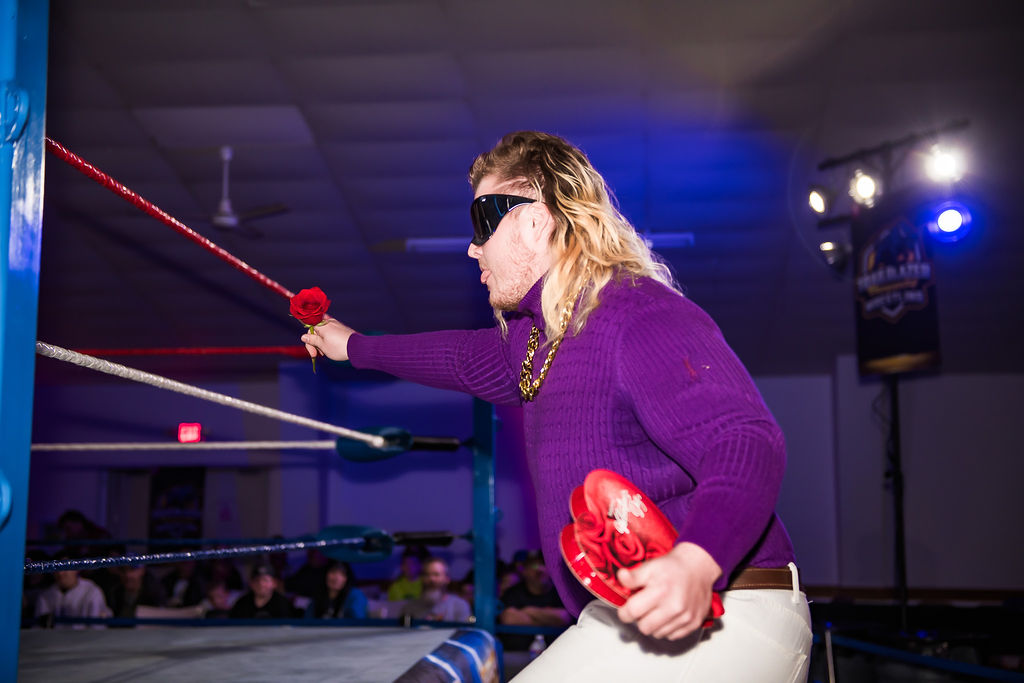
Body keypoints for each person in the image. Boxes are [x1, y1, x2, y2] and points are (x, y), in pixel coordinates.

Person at [301, 131, 811, 681]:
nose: (472, 248)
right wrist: (353, 347)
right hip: (625, 616)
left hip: (729, 606)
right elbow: (457, 357)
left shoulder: (636, 312)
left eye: (481, 224)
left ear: (535, 221)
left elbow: (745, 438)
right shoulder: (535, 343)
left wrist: (696, 559)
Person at [498, 550, 572, 651]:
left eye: (544, 565)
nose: (540, 569)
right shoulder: (514, 592)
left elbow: (565, 618)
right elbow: (508, 618)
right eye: (534, 566)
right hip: (517, 654)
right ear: (524, 570)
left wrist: (529, 611)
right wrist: (549, 620)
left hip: (554, 653)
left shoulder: (560, 592)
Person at [34, 553, 111, 629]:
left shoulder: (92, 591)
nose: (60, 573)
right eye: (56, 568)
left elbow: (97, 627)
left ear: (76, 569)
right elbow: (39, 628)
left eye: (64, 568)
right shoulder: (46, 595)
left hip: (85, 636)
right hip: (54, 637)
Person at [398, 557, 472, 622]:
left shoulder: (460, 606)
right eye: (427, 574)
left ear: (447, 579)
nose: (431, 579)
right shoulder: (410, 607)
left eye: (436, 574)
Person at [228, 564, 296, 619]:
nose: (261, 584)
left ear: (274, 583)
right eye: (257, 580)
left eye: (265, 580)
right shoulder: (242, 603)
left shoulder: (283, 604)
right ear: (251, 583)